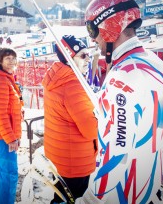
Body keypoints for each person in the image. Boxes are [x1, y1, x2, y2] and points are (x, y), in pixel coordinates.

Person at [76, 0, 163, 204]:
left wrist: (91, 198)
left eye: (93, 29)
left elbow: (116, 153)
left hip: (121, 193)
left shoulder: (122, 77)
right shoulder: (158, 64)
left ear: (109, 26)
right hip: (148, 184)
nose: (93, 38)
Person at [42, 35, 98, 203]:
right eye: (82, 55)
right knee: (71, 198)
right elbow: (91, 130)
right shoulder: (72, 86)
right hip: (75, 160)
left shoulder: (57, 77)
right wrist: (101, 116)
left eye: (87, 54)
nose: (88, 59)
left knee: (61, 196)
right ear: (68, 57)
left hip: (60, 154)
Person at [0, 47, 23, 204]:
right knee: (9, 174)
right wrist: (10, 138)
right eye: (7, 58)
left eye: (13, 58)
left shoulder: (6, 79)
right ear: (0, 61)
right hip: (4, 136)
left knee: (2, 172)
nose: (11, 61)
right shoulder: (1, 81)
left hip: (4, 135)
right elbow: (0, 114)